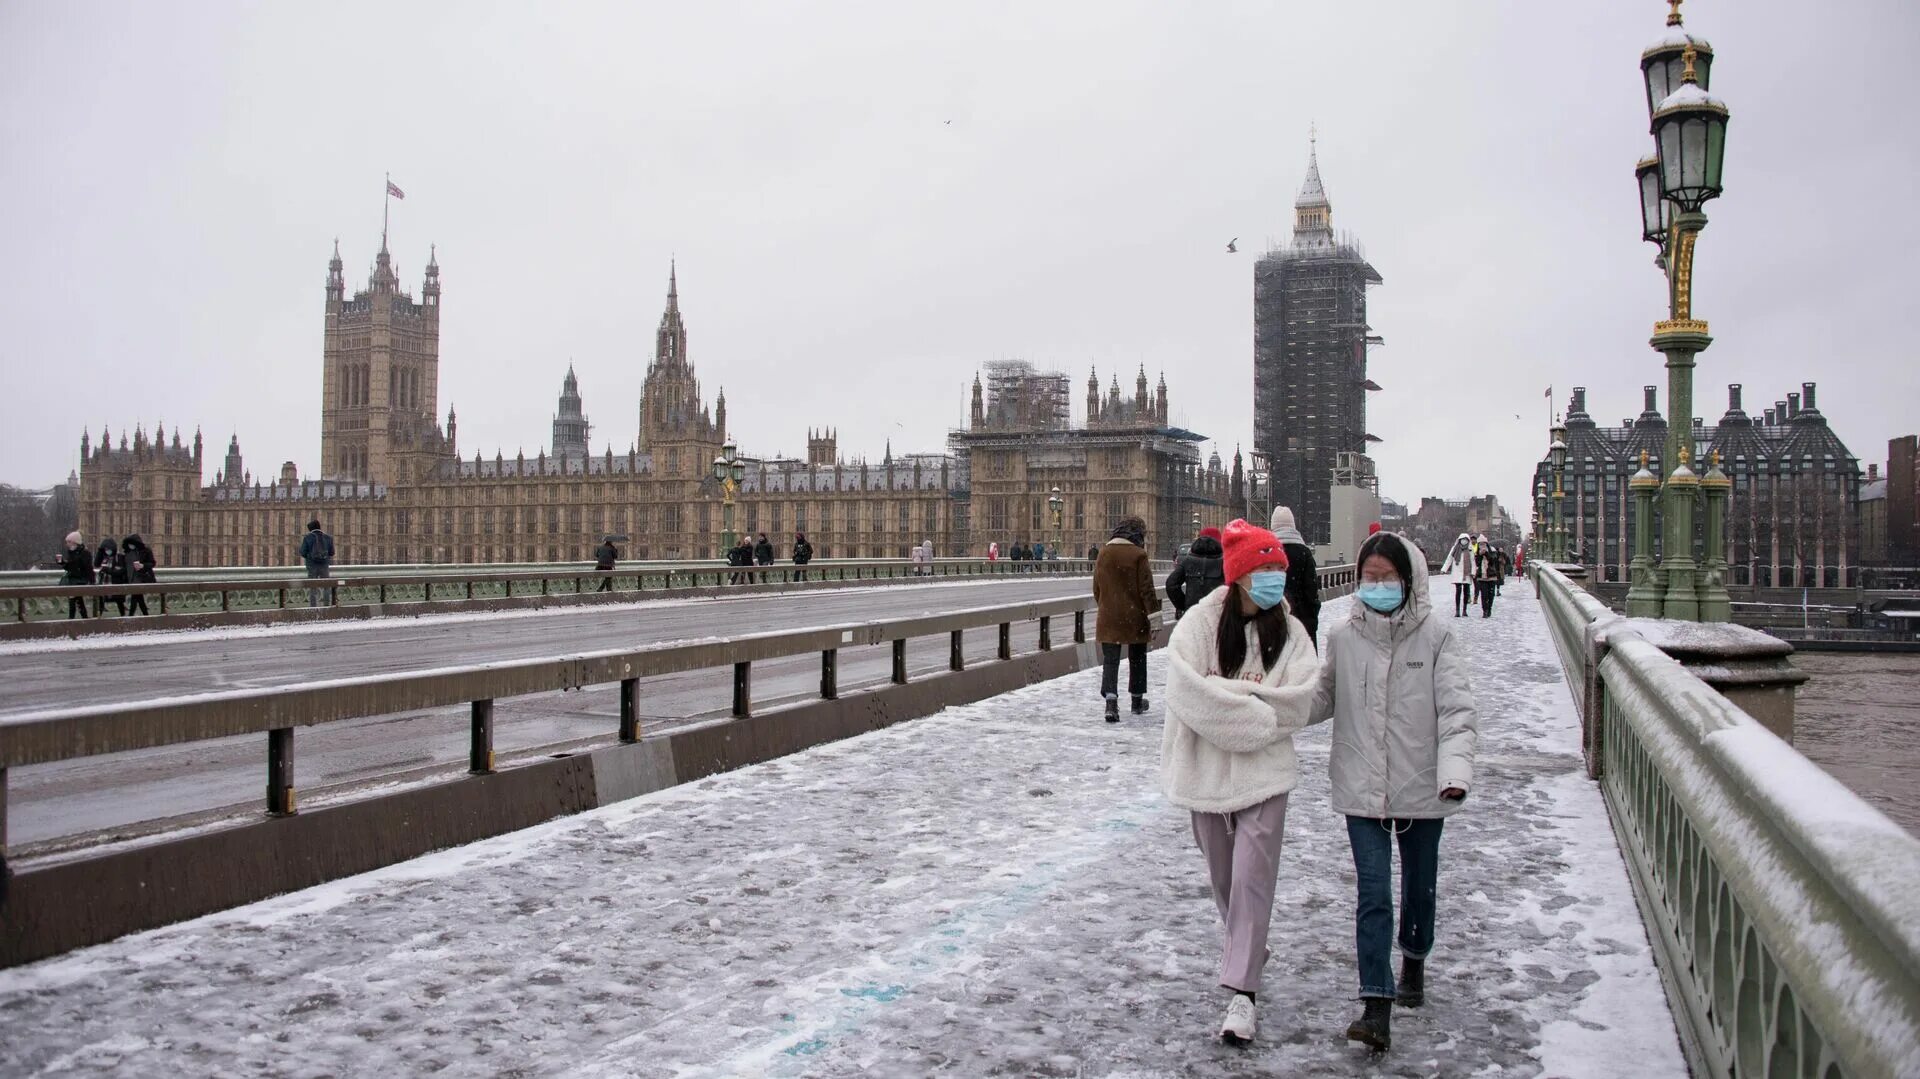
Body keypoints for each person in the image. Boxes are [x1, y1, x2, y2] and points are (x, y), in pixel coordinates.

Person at [1312, 530, 1478, 1051]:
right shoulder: (1342, 635)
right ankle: (1375, 1004)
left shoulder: (1437, 637)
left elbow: (1456, 712)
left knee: (1418, 889)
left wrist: (1454, 773)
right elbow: (1321, 696)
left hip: (1422, 782)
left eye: (1385, 578)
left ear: (1408, 581)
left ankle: (1415, 955)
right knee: (1374, 894)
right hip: (1361, 782)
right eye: (1368, 578)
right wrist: (1266, 711)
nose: (1375, 586)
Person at [1162, 519, 1321, 1045]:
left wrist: (1224, 698)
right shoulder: (1198, 628)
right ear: (1241, 574)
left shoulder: (1291, 633)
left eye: (1280, 567)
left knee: (1253, 875)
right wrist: (1254, 710)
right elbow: (1188, 695)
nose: (1278, 576)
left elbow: (1298, 701)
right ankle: (1250, 945)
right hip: (1203, 769)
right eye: (1268, 568)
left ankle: (1242, 994)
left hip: (1265, 773)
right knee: (1225, 878)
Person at [1093, 515, 1161, 721]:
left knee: (1110, 661)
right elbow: (1147, 590)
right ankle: (1137, 700)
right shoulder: (1138, 554)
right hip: (1135, 616)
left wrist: (1107, 606)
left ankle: (1111, 704)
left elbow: (1097, 587)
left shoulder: (1104, 552)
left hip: (1109, 616)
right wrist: (1154, 617)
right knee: (1137, 659)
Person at [1270, 506, 1322, 649]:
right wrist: (1311, 621)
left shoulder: (1269, 552)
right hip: (1302, 621)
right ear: (1293, 526)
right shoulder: (1304, 552)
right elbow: (1311, 591)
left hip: (1274, 621)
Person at [1166, 526, 1225, 619]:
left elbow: (1171, 584)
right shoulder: (1225, 562)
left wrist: (1184, 604)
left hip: (1193, 615)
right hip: (1217, 615)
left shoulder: (1188, 561)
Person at [300, 519, 335, 607]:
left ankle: (313, 607)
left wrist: (311, 556)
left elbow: (303, 552)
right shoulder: (328, 537)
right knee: (326, 586)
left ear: (311, 529)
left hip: (312, 566)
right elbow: (332, 552)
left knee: (313, 587)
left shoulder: (307, 537)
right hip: (324, 565)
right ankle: (327, 606)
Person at [1439, 533, 1474, 618]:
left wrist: (1473, 572)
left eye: (1465, 539)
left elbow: (1473, 561)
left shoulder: (1470, 549)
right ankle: (1457, 610)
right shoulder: (1455, 548)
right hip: (1457, 572)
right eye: (1462, 539)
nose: (1464, 541)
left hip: (1466, 573)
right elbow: (1449, 559)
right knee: (1458, 591)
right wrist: (1444, 569)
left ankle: (1464, 610)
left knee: (1466, 592)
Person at [59, 531, 93, 619]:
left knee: (74, 600)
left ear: (75, 542)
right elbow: (71, 567)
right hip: (73, 580)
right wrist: (62, 563)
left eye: (69, 542)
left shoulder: (85, 553)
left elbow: (87, 568)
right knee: (77, 600)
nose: (67, 544)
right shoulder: (71, 553)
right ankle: (83, 618)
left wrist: (92, 581)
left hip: (80, 580)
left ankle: (72, 619)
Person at [120, 534, 156, 615]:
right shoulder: (127, 553)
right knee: (138, 598)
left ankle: (131, 616)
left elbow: (152, 563)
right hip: (130, 578)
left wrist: (143, 565)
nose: (130, 546)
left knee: (135, 597)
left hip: (140, 578)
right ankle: (145, 615)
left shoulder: (145, 551)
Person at [92, 537, 127, 617]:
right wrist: (99, 552)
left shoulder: (120, 558)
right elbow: (96, 564)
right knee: (101, 602)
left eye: (108, 549)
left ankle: (123, 617)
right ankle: (97, 618)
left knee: (119, 602)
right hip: (104, 583)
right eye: (105, 549)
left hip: (116, 584)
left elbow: (121, 571)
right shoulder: (104, 558)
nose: (107, 551)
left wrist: (108, 570)